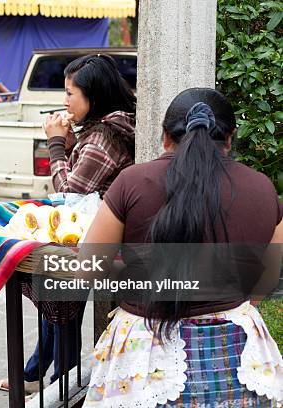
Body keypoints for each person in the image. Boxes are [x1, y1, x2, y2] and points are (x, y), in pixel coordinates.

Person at [82, 88, 282, 406]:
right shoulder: (261, 188)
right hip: (236, 354)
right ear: (229, 138)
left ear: (165, 137)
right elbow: (266, 281)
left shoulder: (131, 183)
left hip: (144, 357)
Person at [0, 54, 136, 393]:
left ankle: (63, 385)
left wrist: (57, 143)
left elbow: (70, 192)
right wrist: (71, 142)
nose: (65, 101)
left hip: (99, 240)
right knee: (55, 302)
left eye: (71, 93)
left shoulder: (104, 137)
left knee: (59, 301)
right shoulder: (106, 127)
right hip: (94, 231)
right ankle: (37, 374)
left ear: (93, 96)